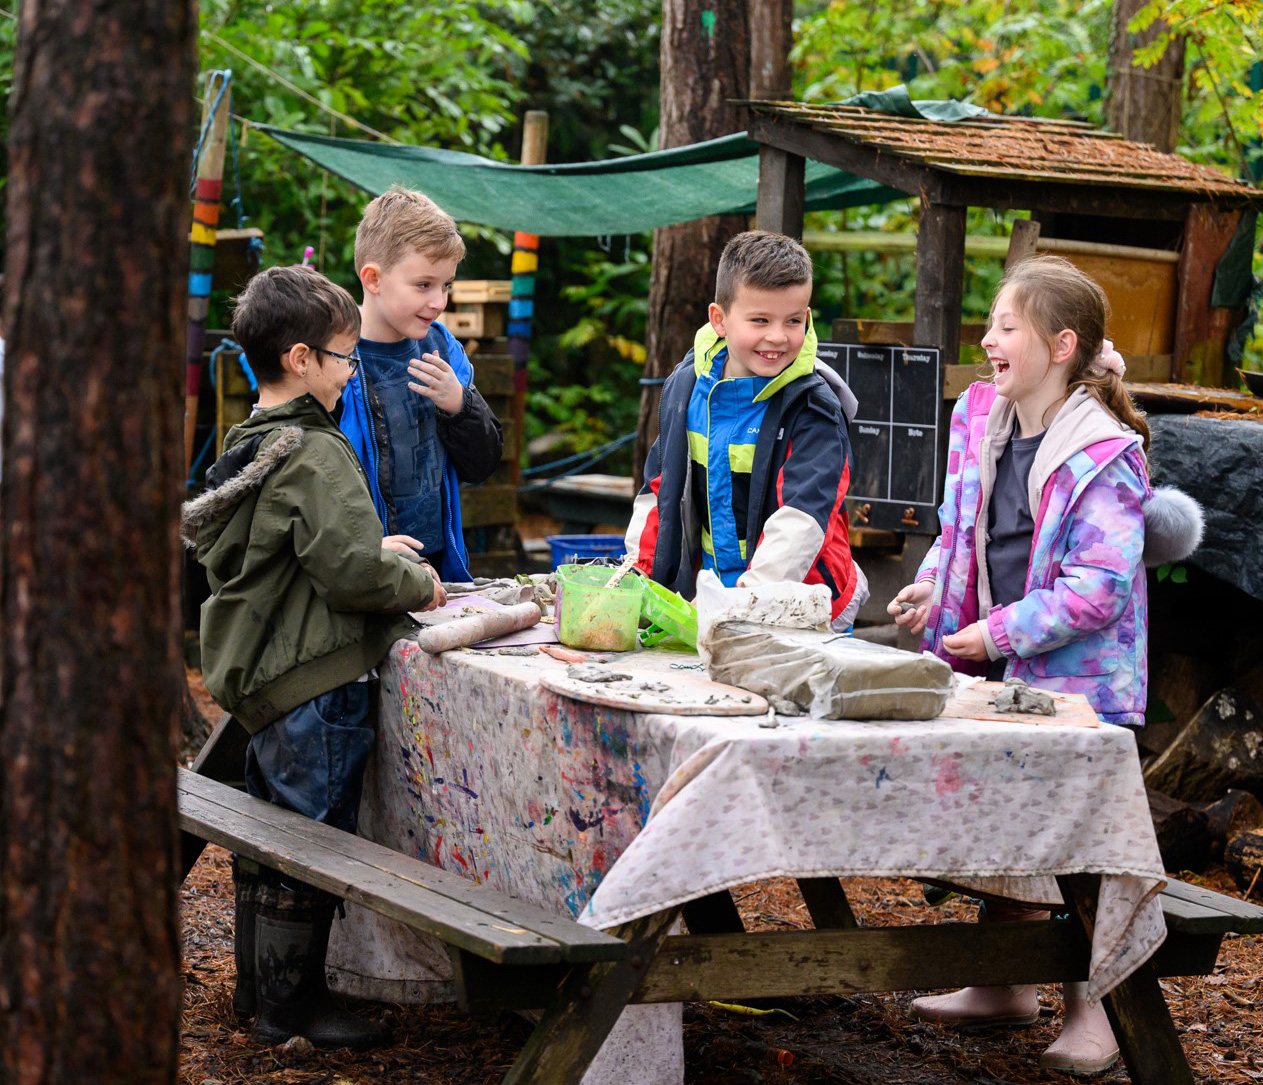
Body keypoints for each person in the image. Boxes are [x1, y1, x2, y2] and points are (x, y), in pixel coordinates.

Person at [887, 255, 1203, 1075]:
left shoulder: (1103, 453)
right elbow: (959, 532)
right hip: (1002, 670)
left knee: (1073, 841)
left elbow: (1096, 590)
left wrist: (995, 633)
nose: (987, 340)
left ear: (1061, 345)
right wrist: (931, 588)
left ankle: (1095, 1007)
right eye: (989, 324)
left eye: (1006, 326)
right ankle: (1002, 984)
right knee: (1004, 821)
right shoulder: (980, 418)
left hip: (1080, 690)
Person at [182, 265, 445, 1051]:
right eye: (344, 356)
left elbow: (291, 551)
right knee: (309, 842)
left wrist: (371, 548)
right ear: (301, 359)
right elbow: (351, 573)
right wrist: (416, 580)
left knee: (268, 837)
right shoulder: (316, 453)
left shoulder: (252, 441)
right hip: (316, 684)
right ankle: (293, 1006)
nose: (351, 370)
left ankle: (259, 989)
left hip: (265, 680)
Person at [625, 230, 868, 629]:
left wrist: (741, 605)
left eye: (793, 321)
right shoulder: (688, 389)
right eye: (760, 320)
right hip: (717, 594)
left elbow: (801, 521)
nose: (778, 336)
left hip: (805, 603)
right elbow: (660, 489)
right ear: (719, 319)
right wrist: (637, 573)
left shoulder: (815, 409)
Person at [339, 186, 503, 582]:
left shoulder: (443, 349)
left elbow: (481, 464)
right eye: (424, 285)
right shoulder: (335, 357)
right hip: (361, 565)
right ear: (373, 279)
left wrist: (460, 406)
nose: (439, 301)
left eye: (446, 285)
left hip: (437, 564)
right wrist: (360, 548)